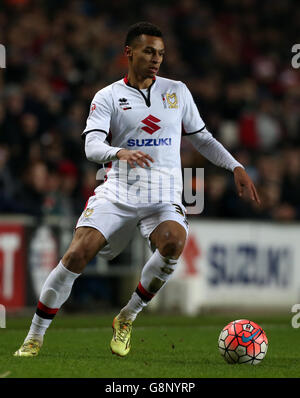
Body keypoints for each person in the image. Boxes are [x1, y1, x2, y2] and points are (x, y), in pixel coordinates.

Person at [14, 22, 260, 358]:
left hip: (164, 193)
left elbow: (202, 137)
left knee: (173, 242)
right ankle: (34, 337)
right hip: (119, 189)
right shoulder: (108, 96)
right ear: (128, 52)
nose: (156, 58)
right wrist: (120, 152)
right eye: (148, 51)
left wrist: (235, 165)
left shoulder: (177, 91)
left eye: (160, 53)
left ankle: (127, 316)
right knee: (76, 254)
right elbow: (91, 146)